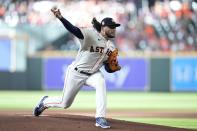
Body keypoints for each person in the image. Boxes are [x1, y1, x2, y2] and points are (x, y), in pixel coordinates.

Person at [34, 8, 121, 129]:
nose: (114, 29)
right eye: (111, 26)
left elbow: (108, 68)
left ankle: (100, 118)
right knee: (64, 103)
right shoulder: (91, 35)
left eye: (115, 27)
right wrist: (61, 18)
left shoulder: (111, 47)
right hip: (76, 73)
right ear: (103, 28)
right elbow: (74, 30)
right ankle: (45, 101)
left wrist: (112, 68)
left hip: (93, 74)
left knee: (101, 82)